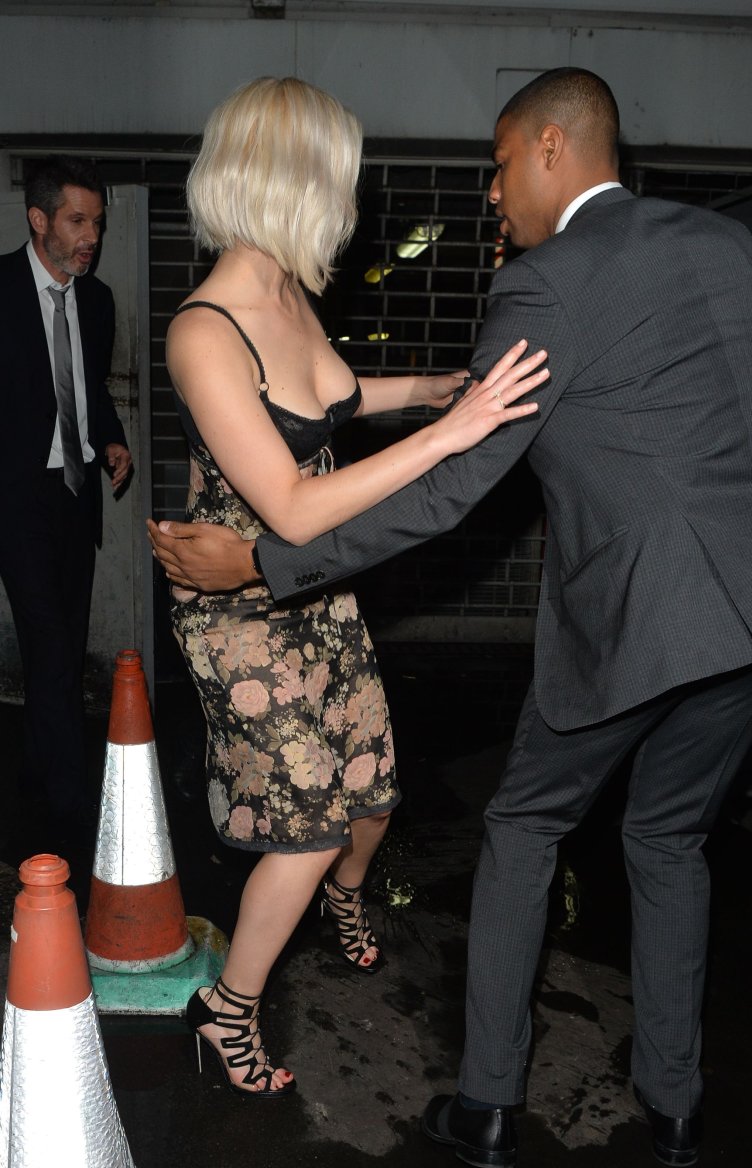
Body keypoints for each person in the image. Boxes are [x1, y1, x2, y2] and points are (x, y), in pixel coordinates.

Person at [150, 68, 752, 1153]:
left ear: (550, 147)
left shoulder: (544, 285)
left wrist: (260, 560)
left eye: (498, 165)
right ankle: (674, 1104)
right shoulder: (723, 242)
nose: (491, 194)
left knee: (526, 823)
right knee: (669, 837)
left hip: (636, 618)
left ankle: (489, 1105)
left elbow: (448, 494)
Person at [158, 76, 548, 1097]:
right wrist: (450, 435)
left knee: (372, 791)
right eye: (338, 178)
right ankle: (226, 1012)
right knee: (310, 826)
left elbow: (330, 396)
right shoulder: (205, 332)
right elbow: (290, 505)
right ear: (292, 180)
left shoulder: (289, 291)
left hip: (320, 592)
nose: (350, 199)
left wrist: (425, 390)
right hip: (242, 613)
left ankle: (344, 897)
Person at [0, 156, 132, 858]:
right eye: (78, 221)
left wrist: (111, 439)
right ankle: (73, 809)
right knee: (52, 646)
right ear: (39, 219)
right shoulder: (0, 289)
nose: (92, 237)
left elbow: (89, 388)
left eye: (98, 224)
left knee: (63, 645)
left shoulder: (97, 300)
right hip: (15, 500)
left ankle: (33, 770)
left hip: (76, 498)